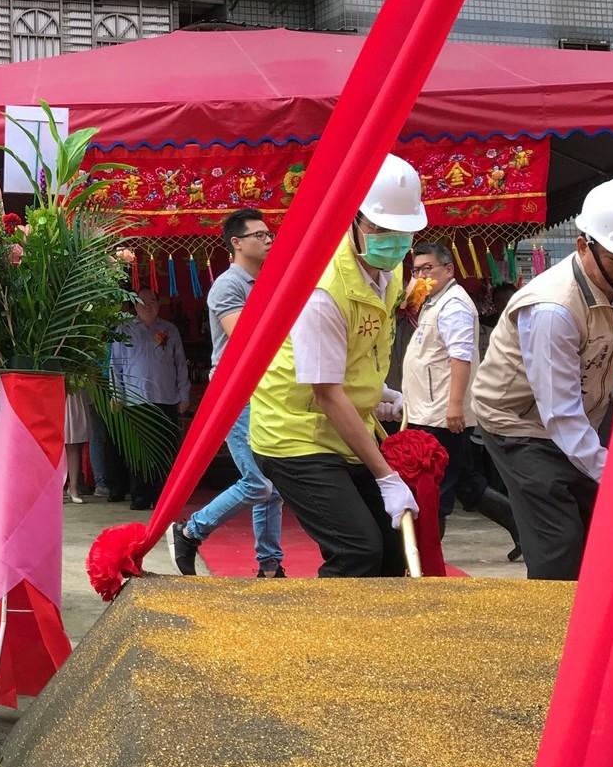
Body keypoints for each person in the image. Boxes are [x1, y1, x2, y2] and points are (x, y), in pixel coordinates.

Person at [472, 179, 613, 581]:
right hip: (521, 425)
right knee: (560, 543)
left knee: (609, 530)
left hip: (583, 410)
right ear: (583, 245)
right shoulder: (551, 309)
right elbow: (558, 412)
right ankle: (551, 629)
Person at [250, 156, 426, 578]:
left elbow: (362, 350)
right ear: (353, 220)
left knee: (392, 551)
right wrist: (385, 477)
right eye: (380, 229)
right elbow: (326, 393)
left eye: (403, 232)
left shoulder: (390, 271)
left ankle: (372, 640)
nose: (393, 240)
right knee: (357, 551)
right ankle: (323, 642)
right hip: (294, 430)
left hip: (345, 425)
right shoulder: (323, 288)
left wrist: (378, 394)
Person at [171, 209, 286, 578]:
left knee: (274, 483)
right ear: (236, 243)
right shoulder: (228, 285)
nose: (267, 240)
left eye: (269, 234)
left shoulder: (269, 281)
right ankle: (191, 531)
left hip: (267, 386)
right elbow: (247, 338)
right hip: (236, 390)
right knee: (258, 482)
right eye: (259, 235)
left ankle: (270, 565)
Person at [403, 242, 517, 543]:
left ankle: (429, 554)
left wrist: (454, 406)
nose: (423, 275)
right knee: (465, 480)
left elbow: (460, 356)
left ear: (449, 269)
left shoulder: (454, 304)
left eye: (429, 268)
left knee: (435, 485)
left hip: (441, 412)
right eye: (417, 270)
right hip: (431, 407)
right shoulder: (434, 300)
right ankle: (520, 529)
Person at [110, 287, 190, 510]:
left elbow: (181, 364)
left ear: (159, 303)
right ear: (134, 305)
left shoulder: (169, 330)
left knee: (165, 450)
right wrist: (117, 395)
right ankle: (140, 495)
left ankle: (163, 496)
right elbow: (114, 366)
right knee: (138, 451)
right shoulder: (123, 329)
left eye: (152, 300)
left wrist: (184, 395)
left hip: (166, 398)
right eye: (142, 301)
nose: (148, 305)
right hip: (135, 400)